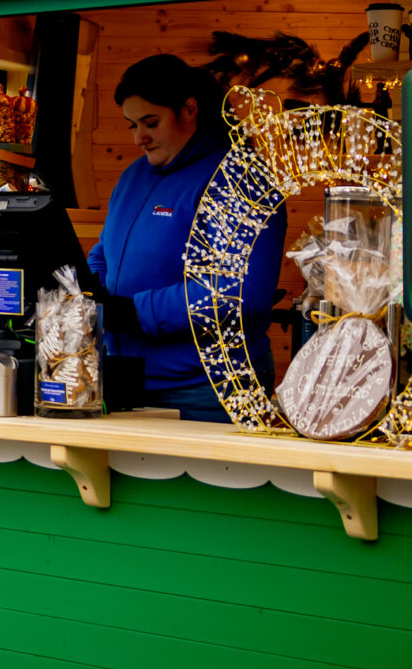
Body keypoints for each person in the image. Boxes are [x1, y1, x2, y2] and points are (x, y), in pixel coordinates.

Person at [87, 54, 285, 421]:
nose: (139, 138)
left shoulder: (239, 179)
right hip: (126, 379)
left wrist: (136, 312)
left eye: (151, 123)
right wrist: (88, 290)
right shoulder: (134, 176)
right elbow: (105, 250)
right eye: (132, 125)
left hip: (206, 387)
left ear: (189, 109)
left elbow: (239, 291)